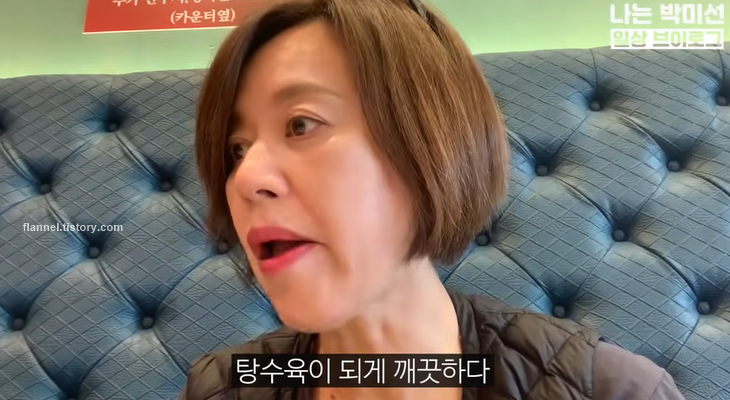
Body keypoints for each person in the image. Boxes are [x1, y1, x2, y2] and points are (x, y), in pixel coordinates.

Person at [181, 0, 686, 399]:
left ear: (431, 145)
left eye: (300, 124)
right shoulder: (224, 387)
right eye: (237, 149)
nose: (246, 177)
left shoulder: (609, 389)